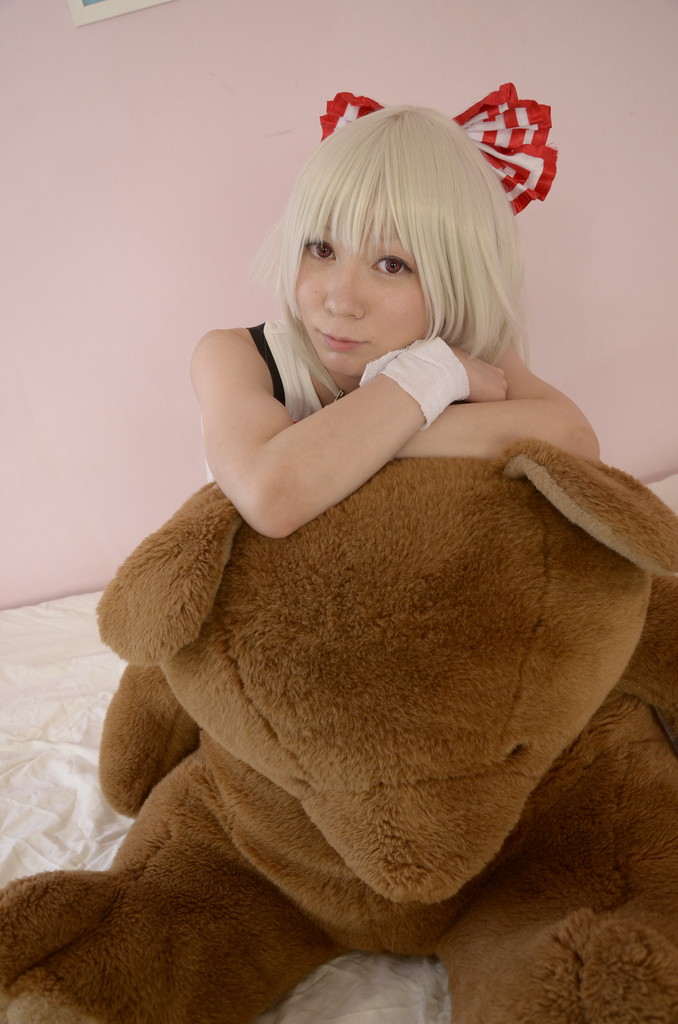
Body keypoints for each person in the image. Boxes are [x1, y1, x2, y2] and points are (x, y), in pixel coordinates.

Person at [192, 86, 599, 539]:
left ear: (458, 278)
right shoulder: (235, 357)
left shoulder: (470, 354)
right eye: (322, 249)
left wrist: (346, 444)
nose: (341, 302)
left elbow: (575, 440)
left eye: (392, 264)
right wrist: (431, 376)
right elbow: (271, 496)